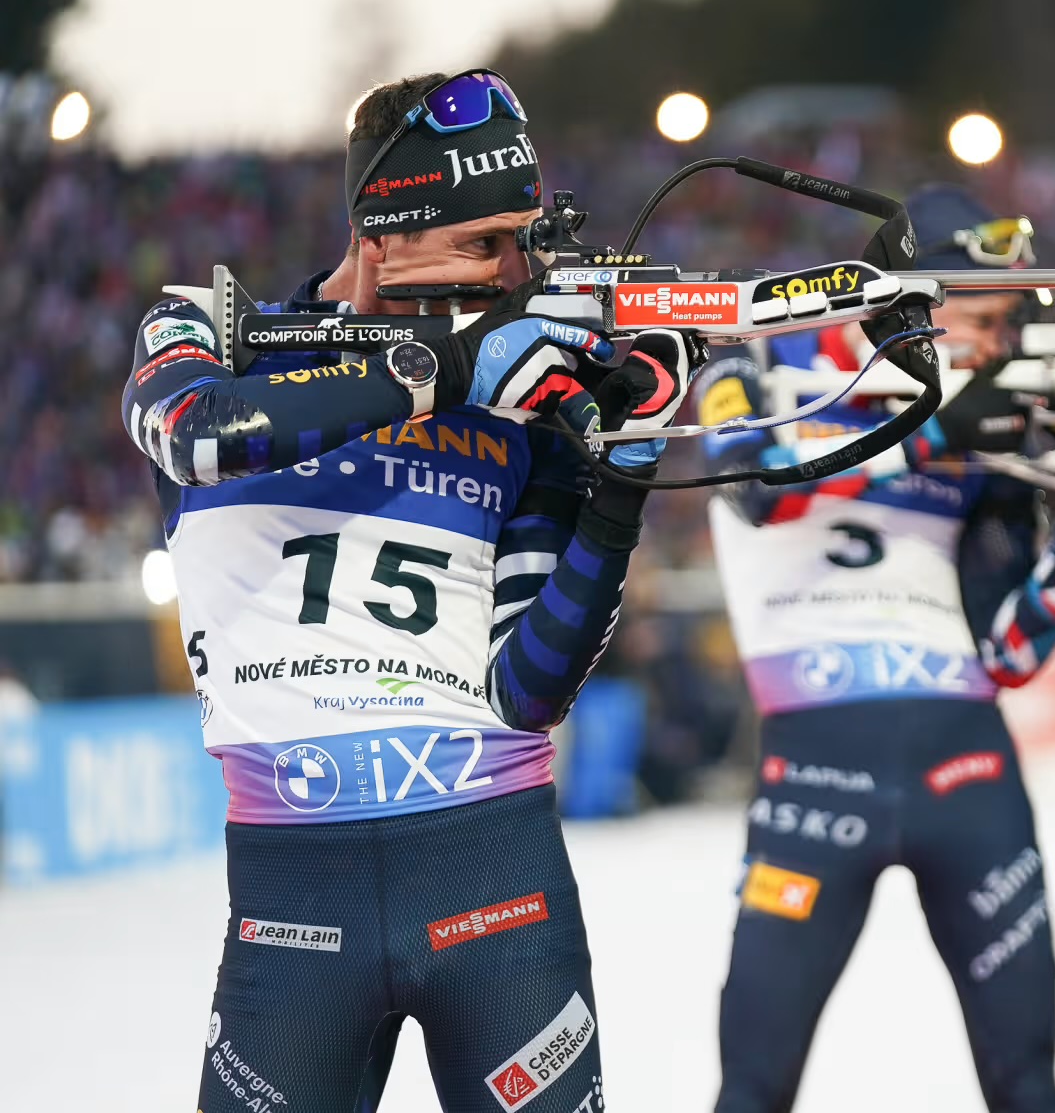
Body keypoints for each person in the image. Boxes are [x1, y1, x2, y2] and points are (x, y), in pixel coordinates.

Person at [124, 69, 688, 1111]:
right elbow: (195, 433)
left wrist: (620, 476)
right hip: (293, 912)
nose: (517, 272)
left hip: (497, 887)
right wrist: (450, 372)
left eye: (526, 238)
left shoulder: (525, 405)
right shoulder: (204, 326)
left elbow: (531, 687)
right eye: (485, 244)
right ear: (381, 240)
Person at [698, 185, 1055, 1113]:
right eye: (986, 313)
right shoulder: (768, 357)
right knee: (754, 1086)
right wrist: (927, 436)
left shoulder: (986, 420)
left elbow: (1010, 656)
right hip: (817, 775)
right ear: (915, 296)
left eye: (1015, 319)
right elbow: (753, 482)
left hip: (968, 766)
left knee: (1028, 1084)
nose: (1001, 339)